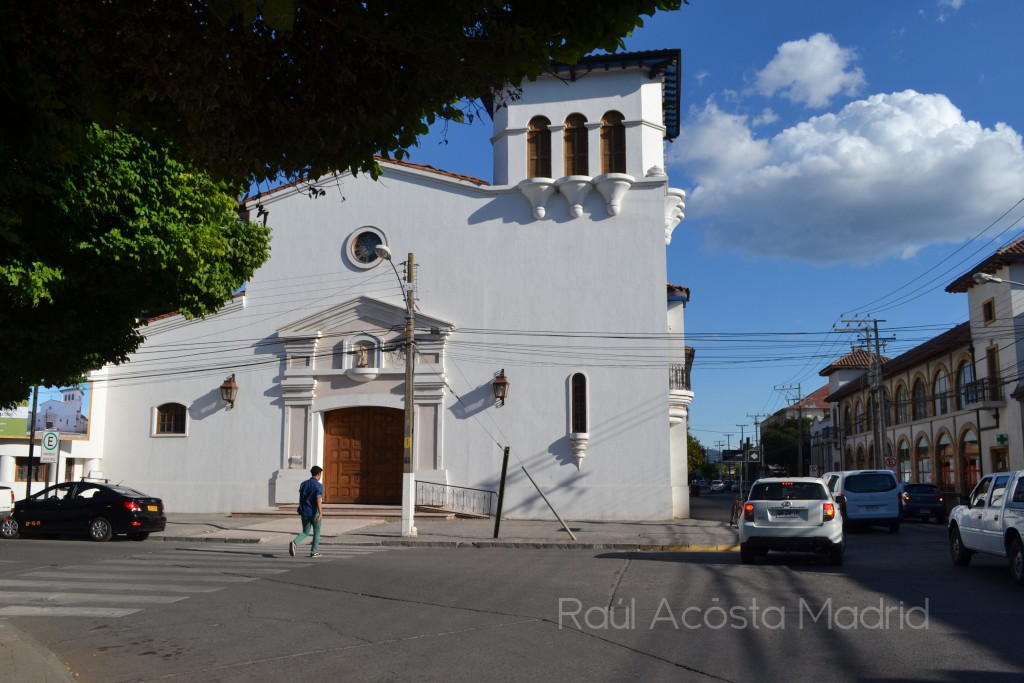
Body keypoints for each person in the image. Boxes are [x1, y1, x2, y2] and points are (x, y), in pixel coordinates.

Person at [290, 465, 323, 558]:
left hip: (304, 511)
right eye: (320, 474)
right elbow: (318, 500)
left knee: (305, 531)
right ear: (318, 474)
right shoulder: (319, 485)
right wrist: (321, 513)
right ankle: (314, 552)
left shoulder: (303, 484)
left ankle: (295, 543)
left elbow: (301, 497)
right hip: (314, 512)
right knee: (317, 531)